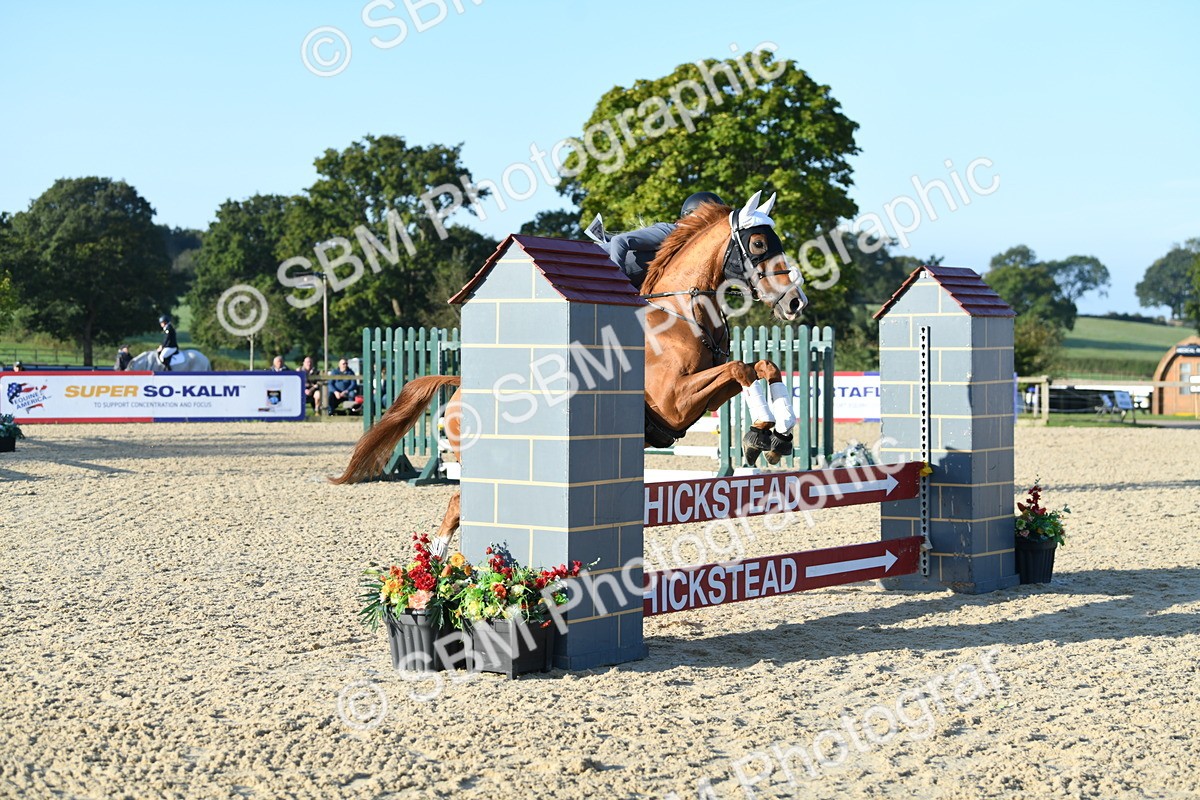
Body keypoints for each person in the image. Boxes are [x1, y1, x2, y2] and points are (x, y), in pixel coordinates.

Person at [599, 192, 726, 289]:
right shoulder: (670, 232)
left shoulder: (689, 251)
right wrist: (618, 281)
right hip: (597, 269)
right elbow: (620, 241)